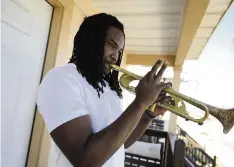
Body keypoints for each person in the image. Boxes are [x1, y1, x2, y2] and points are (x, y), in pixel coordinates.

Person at [36, 13, 173, 167]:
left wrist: (147, 114)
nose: (115, 56)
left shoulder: (108, 87)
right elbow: (86, 161)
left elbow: (121, 142)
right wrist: (140, 103)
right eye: (111, 45)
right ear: (91, 40)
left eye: (120, 51)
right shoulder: (61, 79)